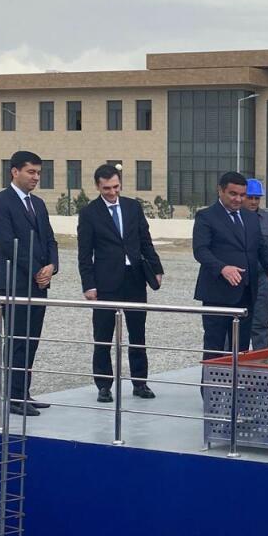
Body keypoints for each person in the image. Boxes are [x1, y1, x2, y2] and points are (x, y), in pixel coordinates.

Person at [77, 164, 164, 403]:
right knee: (103, 336)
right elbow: (84, 254)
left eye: (116, 187)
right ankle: (104, 386)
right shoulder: (89, 213)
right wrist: (88, 285)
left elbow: (145, 240)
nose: (112, 192)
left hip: (135, 279)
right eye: (107, 188)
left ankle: (140, 382)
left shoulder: (133, 207)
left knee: (138, 334)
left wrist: (156, 268)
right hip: (105, 283)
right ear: (98, 186)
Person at [0, 151, 59, 416]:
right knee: (17, 340)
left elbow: (49, 240)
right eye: (31, 172)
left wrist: (52, 267)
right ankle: (14, 397)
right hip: (14, 283)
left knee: (31, 340)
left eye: (38, 172)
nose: (36, 177)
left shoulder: (38, 204)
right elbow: (7, 243)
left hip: (39, 284)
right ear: (14, 172)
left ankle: (23, 392)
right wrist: (37, 269)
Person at [193, 172, 268, 356]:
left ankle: (238, 376)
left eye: (242, 195)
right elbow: (200, 250)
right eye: (233, 194)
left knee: (241, 349)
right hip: (217, 293)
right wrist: (222, 268)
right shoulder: (206, 216)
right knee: (215, 348)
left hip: (246, 293)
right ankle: (212, 377)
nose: (238, 199)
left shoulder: (250, 217)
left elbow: (261, 248)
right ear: (220, 190)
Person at [243, 178, 268, 350]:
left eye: (257, 198)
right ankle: (233, 361)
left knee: (261, 323)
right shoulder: (234, 219)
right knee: (237, 322)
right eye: (250, 197)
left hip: (263, 279)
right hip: (240, 278)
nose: (253, 202)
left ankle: (260, 360)